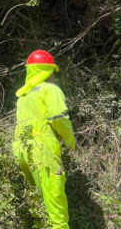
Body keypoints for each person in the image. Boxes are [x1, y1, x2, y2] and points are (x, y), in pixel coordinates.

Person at [13, 50, 76, 229]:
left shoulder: (23, 95)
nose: (54, 76)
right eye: (52, 72)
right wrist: (70, 141)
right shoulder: (50, 89)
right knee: (55, 204)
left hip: (21, 150)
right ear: (48, 71)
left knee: (38, 203)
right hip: (43, 152)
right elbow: (59, 117)